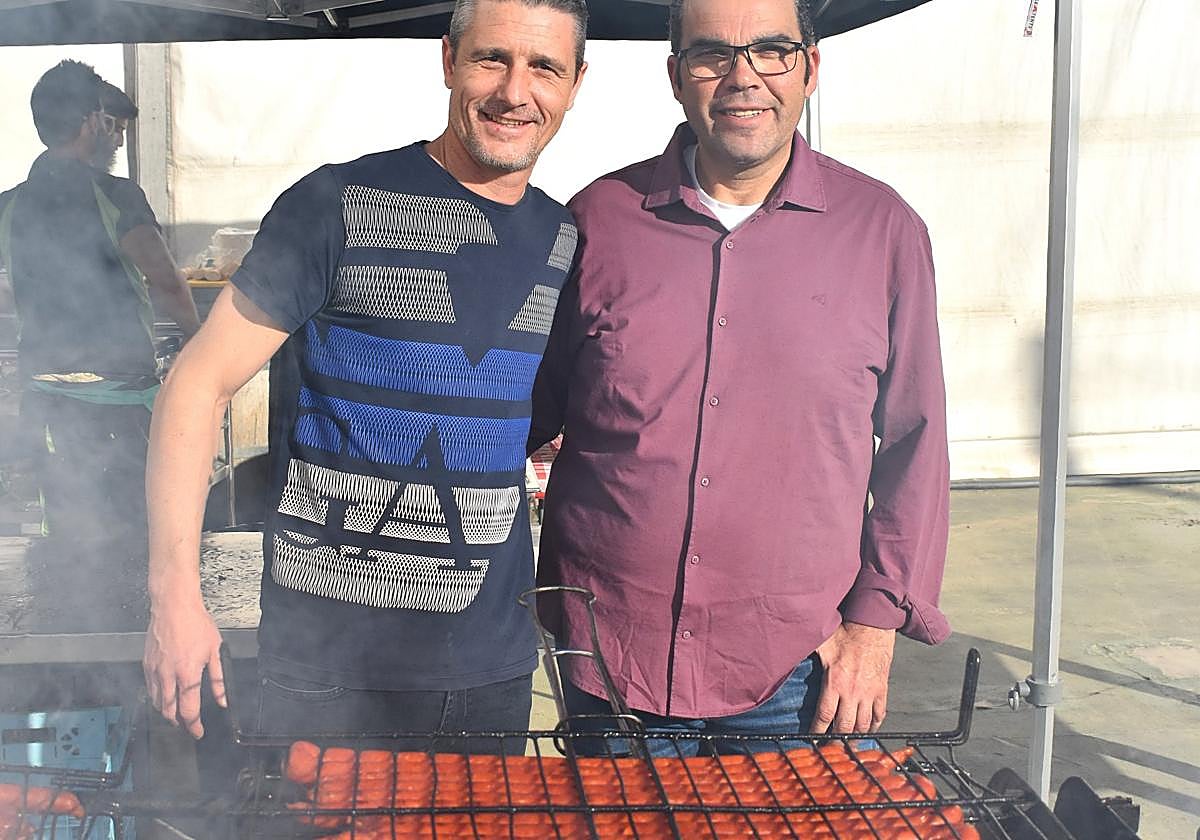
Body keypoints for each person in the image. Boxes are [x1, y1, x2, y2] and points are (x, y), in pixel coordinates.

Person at [142, 0, 588, 752]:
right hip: (326, 669)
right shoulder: (334, 205)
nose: (516, 92)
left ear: (576, 83)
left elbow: (527, 415)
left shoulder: (563, 235)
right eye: (491, 59)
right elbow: (197, 385)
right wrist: (174, 599)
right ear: (447, 60)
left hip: (489, 665)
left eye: (544, 66)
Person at [529, 0, 950, 755]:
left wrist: (876, 623)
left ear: (810, 68)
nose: (742, 76)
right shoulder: (597, 220)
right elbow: (521, 411)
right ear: (675, 76)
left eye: (772, 51)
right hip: (611, 653)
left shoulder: (883, 232)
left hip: (795, 671)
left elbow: (917, 446)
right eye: (711, 54)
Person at [0, 61, 200, 576]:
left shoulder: (10, 205)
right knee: (134, 530)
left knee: (65, 533)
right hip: (121, 401)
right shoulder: (116, 196)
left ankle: (69, 633)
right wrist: (200, 346)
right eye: (110, 125)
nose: (114, 136)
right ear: (93, 122)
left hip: (46, 401)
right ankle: (126, 634)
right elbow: (166, 281)